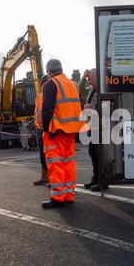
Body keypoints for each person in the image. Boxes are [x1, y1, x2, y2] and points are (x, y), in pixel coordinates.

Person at [41, 59, 85, 209]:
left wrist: (47, 129)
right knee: (68, 164)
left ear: (49, 71)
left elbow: (46, 109)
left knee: (56, 164)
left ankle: (58, 197)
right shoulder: (73, 84)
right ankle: (68, 195)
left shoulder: (51, 84)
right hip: (71, 131)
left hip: (57, 131)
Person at [80, 68, 108, 192]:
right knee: (93, 153)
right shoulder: (93, 89)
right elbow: (79, 91)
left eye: (90, 79)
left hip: (100, 126)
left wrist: (91, 108)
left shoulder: (103, 89)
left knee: (99, 154)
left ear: (97, 77)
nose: (88, 81)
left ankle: (103, 181)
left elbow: (106, 107)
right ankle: (96, 178)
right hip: (92, 126)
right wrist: (83, 77)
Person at [32, 75, 50, 186]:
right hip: (39, 129)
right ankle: (44, 176)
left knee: (50, 154)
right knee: (42, 154)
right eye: (43, 83)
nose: (44, 85)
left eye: (45, 82)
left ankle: (52, 177)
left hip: (47, 129)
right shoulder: (39, 97)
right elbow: (36, 112)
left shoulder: (51, 95)